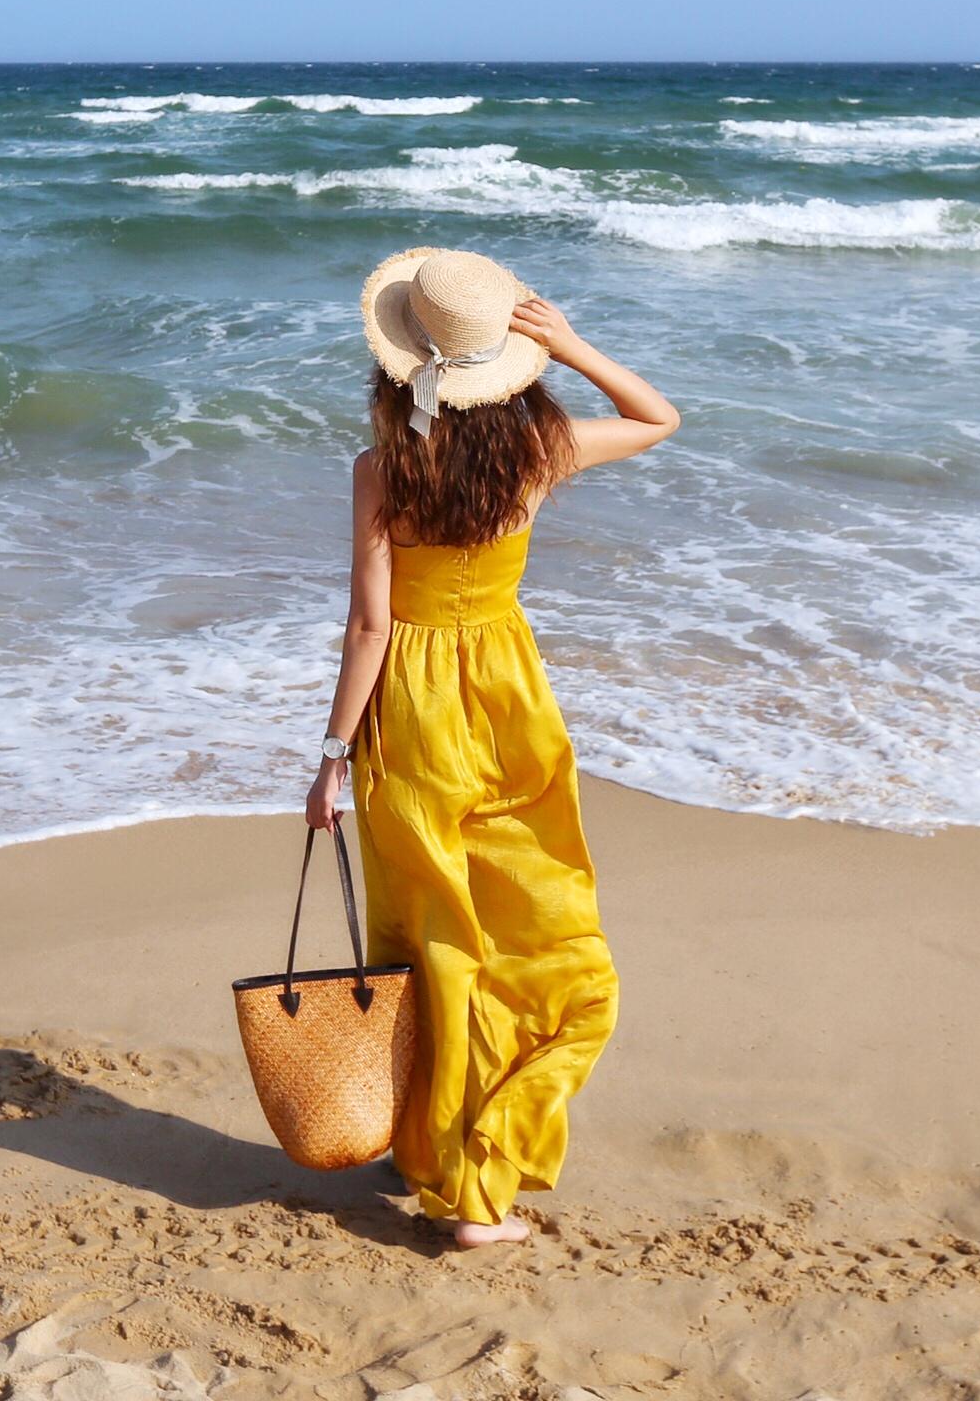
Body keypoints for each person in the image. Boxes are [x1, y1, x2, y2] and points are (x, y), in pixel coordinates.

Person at [303, 246, 680, 1247]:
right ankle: (476, 1184)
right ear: (508, 361)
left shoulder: (382, 470)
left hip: (414, 718)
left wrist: (332, 756)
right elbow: (658, 419)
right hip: (508, 701)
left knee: (429, 937)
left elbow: (370, 630)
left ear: (397, 370)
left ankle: (429, 1147)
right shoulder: (539, 456)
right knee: (531, 936)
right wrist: (573, 345)